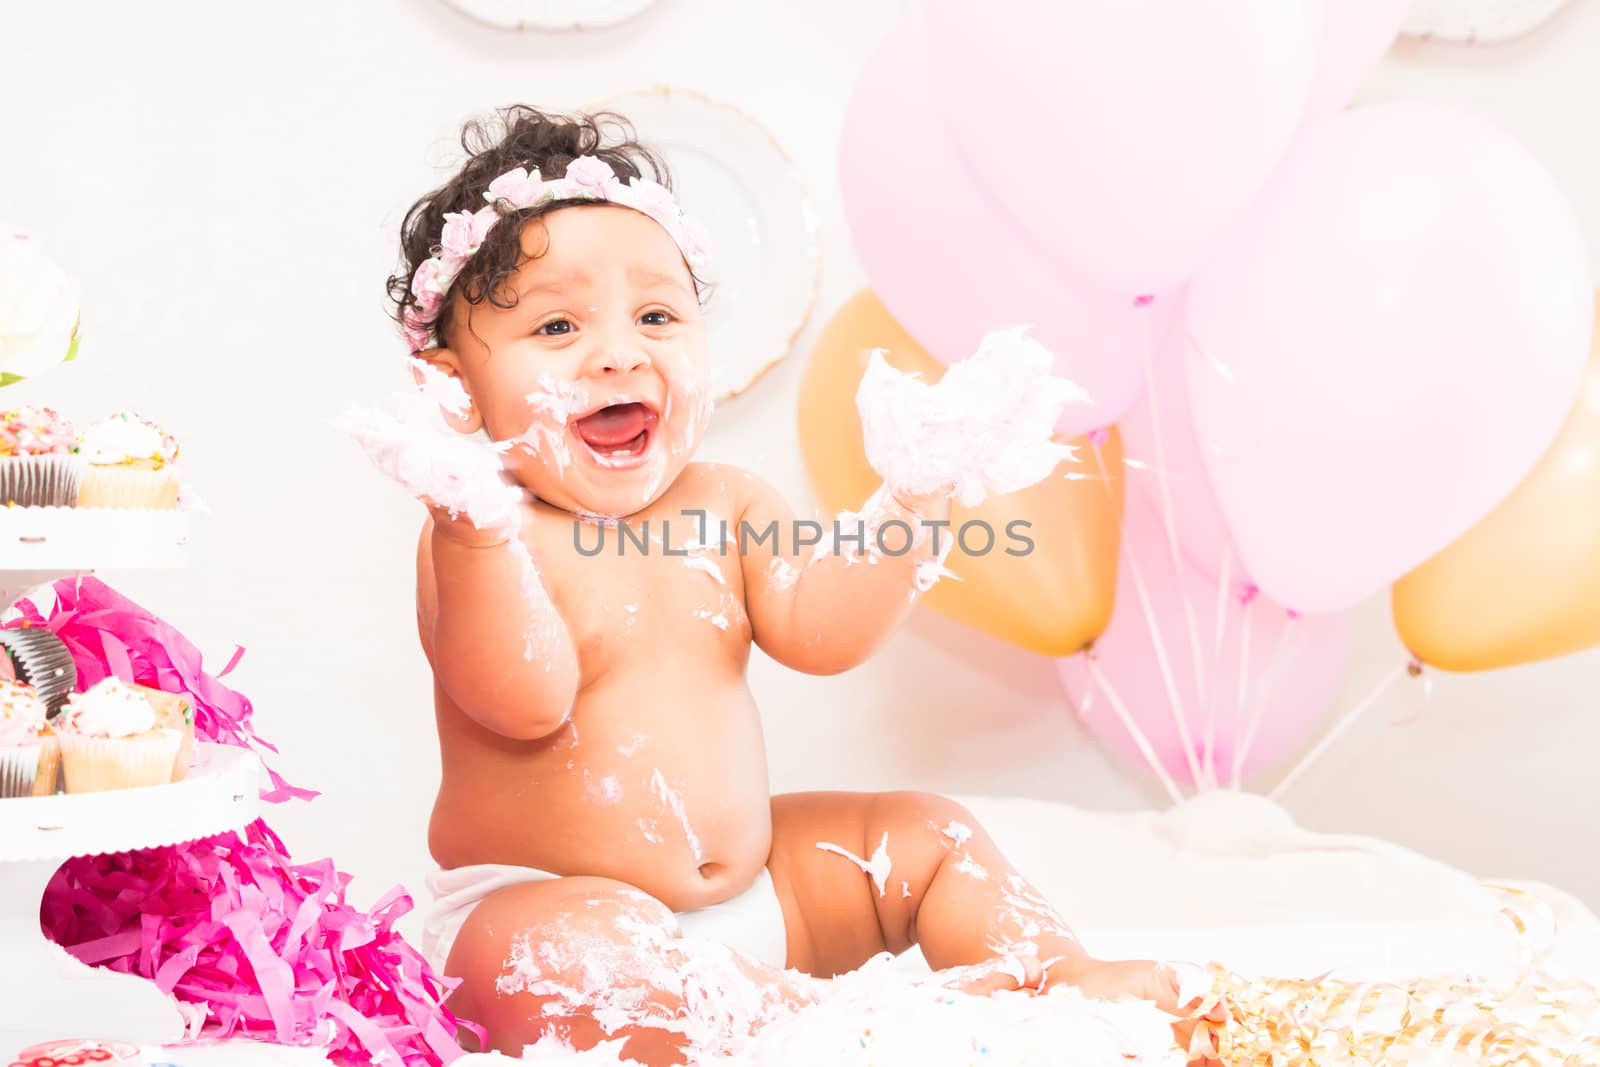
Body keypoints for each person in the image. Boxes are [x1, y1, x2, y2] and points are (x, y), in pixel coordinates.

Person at [385, 104, 1224, 1064]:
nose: (619, 352)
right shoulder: (484, 535)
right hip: (539, 912)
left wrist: (912, 495)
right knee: (590, 951)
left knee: (922, 831)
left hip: (756, 895)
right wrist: (473, 529)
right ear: (451, 391)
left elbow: (824, 631)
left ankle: (1048, 974)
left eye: (656, 315)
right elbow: (522, 701)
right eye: (559, 324)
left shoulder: (726, 502)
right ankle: (820, 1026)